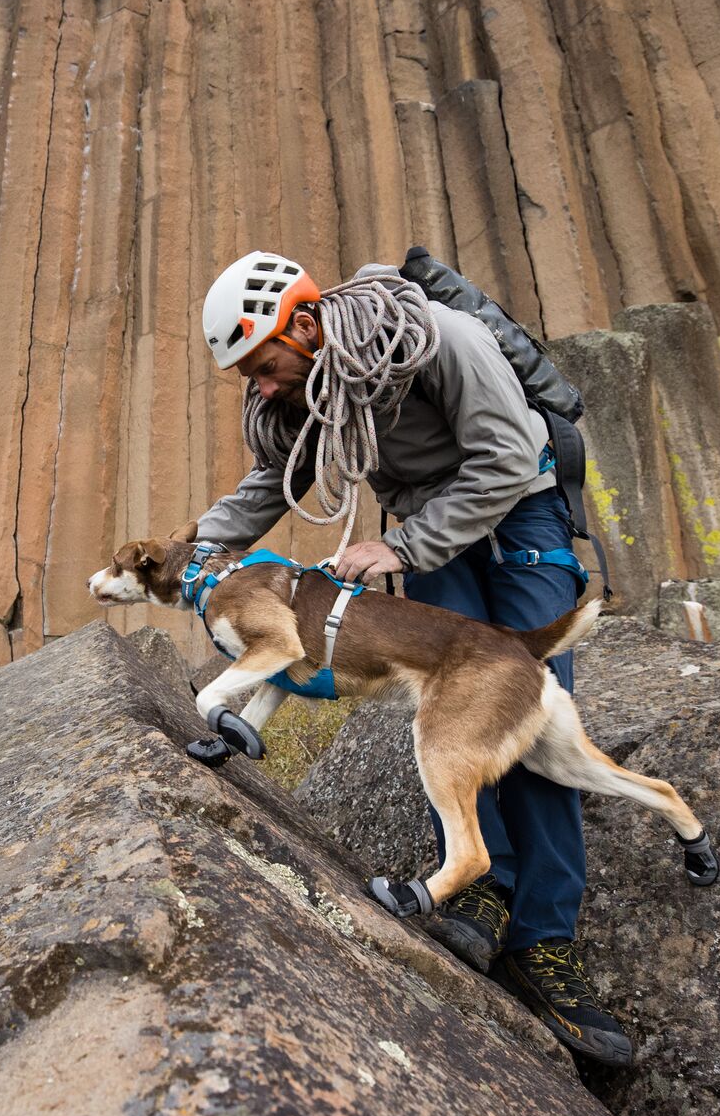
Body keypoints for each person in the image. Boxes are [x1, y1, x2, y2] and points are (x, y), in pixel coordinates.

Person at [189, 249, 633, 1067]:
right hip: (428, 537)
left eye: (265, 364)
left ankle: (547, 943)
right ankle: (483, 892)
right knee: (449, 717)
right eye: (248, 375)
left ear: (307, 324)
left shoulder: (437, 338)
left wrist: (401, 546)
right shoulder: (314, 388)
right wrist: (197, 551)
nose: (261, 385)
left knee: (524, 718)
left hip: (520, 515)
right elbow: (270, 481)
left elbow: (502, 460)